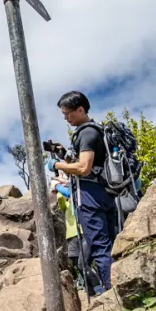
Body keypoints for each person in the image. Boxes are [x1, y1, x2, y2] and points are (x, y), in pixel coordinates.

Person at [49, 91, 117, 294]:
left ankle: (112, 293)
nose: (65, 117)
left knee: (99, 246)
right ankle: (119, 288)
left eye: (68, 112)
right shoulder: (98, 130)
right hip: (105, 193)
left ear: (81, 109)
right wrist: (65, 157)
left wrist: (56, 163)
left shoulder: (86, 133)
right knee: (110, 243)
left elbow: (84, 168)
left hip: (90, 196)